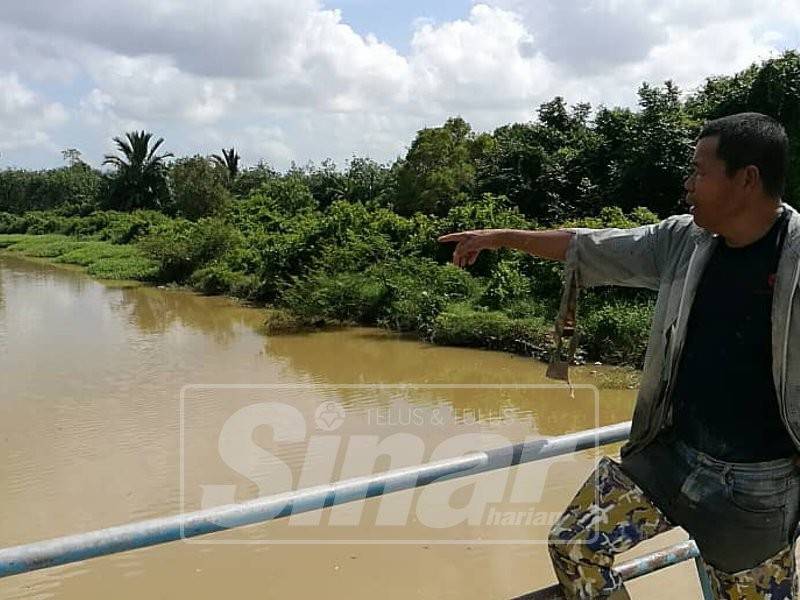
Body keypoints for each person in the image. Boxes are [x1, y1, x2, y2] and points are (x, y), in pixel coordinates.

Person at [437, 113, 800, 599]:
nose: (687, 185)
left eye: (699, 172)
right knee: (575, 543)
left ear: (747, 179)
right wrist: (500, 237)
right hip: (670, 457)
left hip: (757, 491)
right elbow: (588, 245)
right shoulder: (685, 241)